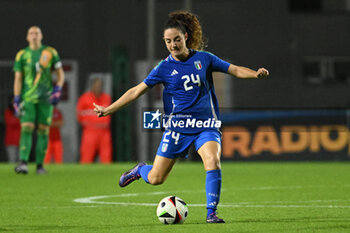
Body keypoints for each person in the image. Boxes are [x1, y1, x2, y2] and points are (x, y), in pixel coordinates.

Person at [93, 11, 269, 223]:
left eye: (176, 39)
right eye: (168, 41)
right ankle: (141, 170)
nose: (173, 45)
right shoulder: (164, 67)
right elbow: (136, 90)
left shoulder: (205, 59)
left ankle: (211, 214)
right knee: (157, 178)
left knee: (212, 160)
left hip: (206, 126)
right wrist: (109, 109)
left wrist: (254, 73)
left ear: (185, 36)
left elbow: (235, 70)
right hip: (177, 127)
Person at [13, 26, 65, 174]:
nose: (34, 35)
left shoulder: (50, 52)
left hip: (45, 98)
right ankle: (23, 162)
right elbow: (18, 78)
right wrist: (16, 98)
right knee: (27, 127)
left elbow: (60, 74)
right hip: (28, 98)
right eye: (31, 33)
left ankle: (40, 165)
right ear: (27, 37)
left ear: (41, 36)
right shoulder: (22, 55)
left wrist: (58, 89)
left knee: (43, 130)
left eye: (37, 33)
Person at [77, 78, 112, 163]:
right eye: (96, 86)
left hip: (104, 132)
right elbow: (79, 115)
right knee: (86, 158)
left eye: (99, 86)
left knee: (106, 158)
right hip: (90, 131)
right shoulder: (84, 98)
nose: (97, 88)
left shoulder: (106, 98)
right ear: (92, 86)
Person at [4, 95, 21, 163]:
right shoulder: (8, 112)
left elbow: (24, 124)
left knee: (21, 161)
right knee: (12, 161)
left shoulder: (21, 111)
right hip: (11, 141)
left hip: (21, 140)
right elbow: (10, 122)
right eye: (13, 101)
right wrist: (18, 118)